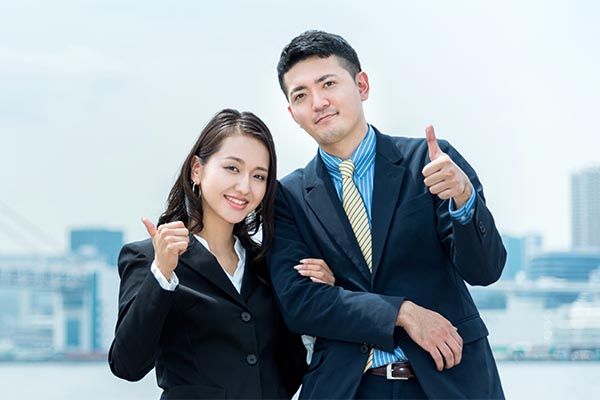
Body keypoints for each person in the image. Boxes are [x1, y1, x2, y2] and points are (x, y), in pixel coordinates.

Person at [267, 30, 507, 399]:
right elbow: (300, 304)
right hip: (349, 388)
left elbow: (485, 270)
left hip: (449, 382)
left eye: (328, 83)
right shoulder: (288, 197)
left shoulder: (430, 163)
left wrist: (464, 199)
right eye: (301, 95)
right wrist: (402, 313)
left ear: (361, 85)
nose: (318, 102)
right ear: (292, 114)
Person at [108, 108, 335, 399]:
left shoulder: (267, 265)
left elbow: (288, 370)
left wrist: (319, 299)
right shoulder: (149, 257)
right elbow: (127, 365)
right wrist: (162, 273)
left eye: (259, 176)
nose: (245, 187)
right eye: (232, 168)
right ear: (197, 170)